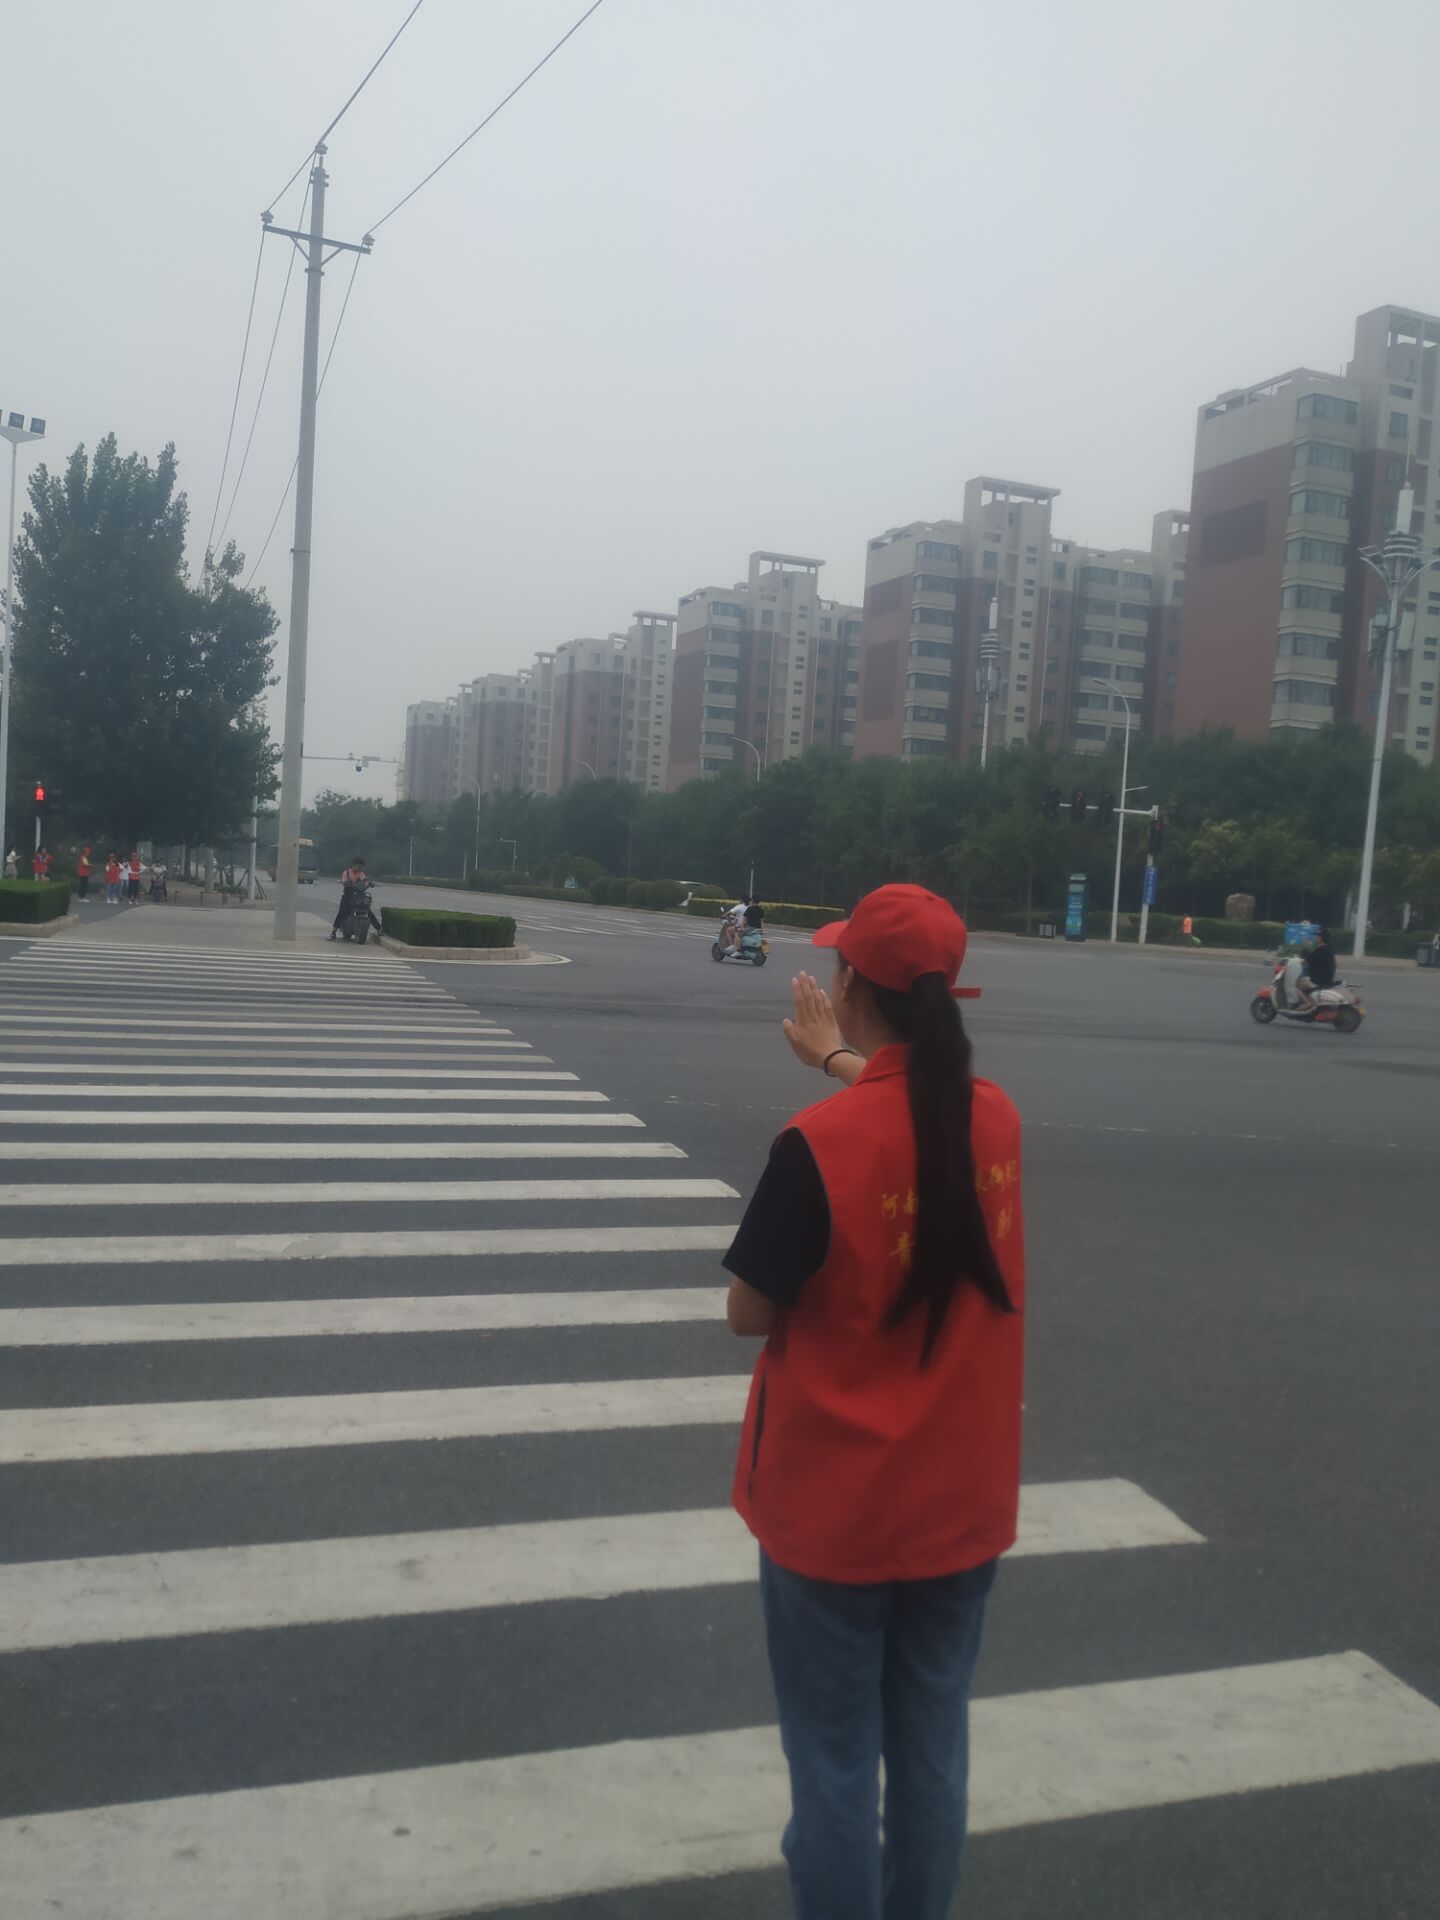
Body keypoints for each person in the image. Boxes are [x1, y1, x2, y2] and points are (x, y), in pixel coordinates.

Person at [724, 883, 1024, 1920]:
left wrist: (835, 1075)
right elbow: (920, 1120)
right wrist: (841, 1063)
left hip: (835, 1515)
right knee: (932, 1751)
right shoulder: (996, 1122)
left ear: (851, 984)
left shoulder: (817, 1145)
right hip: (958, 1506)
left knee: (835, 1764)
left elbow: (749, 1314)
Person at [331, 857, 378, 939]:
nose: (360, 868)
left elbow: (365, 881)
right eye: (358, 866)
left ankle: (379, 929)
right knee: (342, 912)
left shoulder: (361, 874)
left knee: (368, 911)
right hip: (348, 896)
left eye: (361, 867)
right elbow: (344, 881)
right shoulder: (346, 873)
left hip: (359, 896)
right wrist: (346, 882)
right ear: (353, 865)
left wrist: (370, 883)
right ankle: (333, 931)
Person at [1295, 927, 1336, 1013]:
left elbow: (1307, 960)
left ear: (1321, 938)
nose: (1315, 938)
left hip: (1319, 981)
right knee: (1303, 980)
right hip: (1326, 979)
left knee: (1296, 984)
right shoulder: (1328, 949)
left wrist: (1305, 946)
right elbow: (1311, 958)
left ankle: (1307, 1003)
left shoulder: (1320, 951)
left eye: (1317, 936)